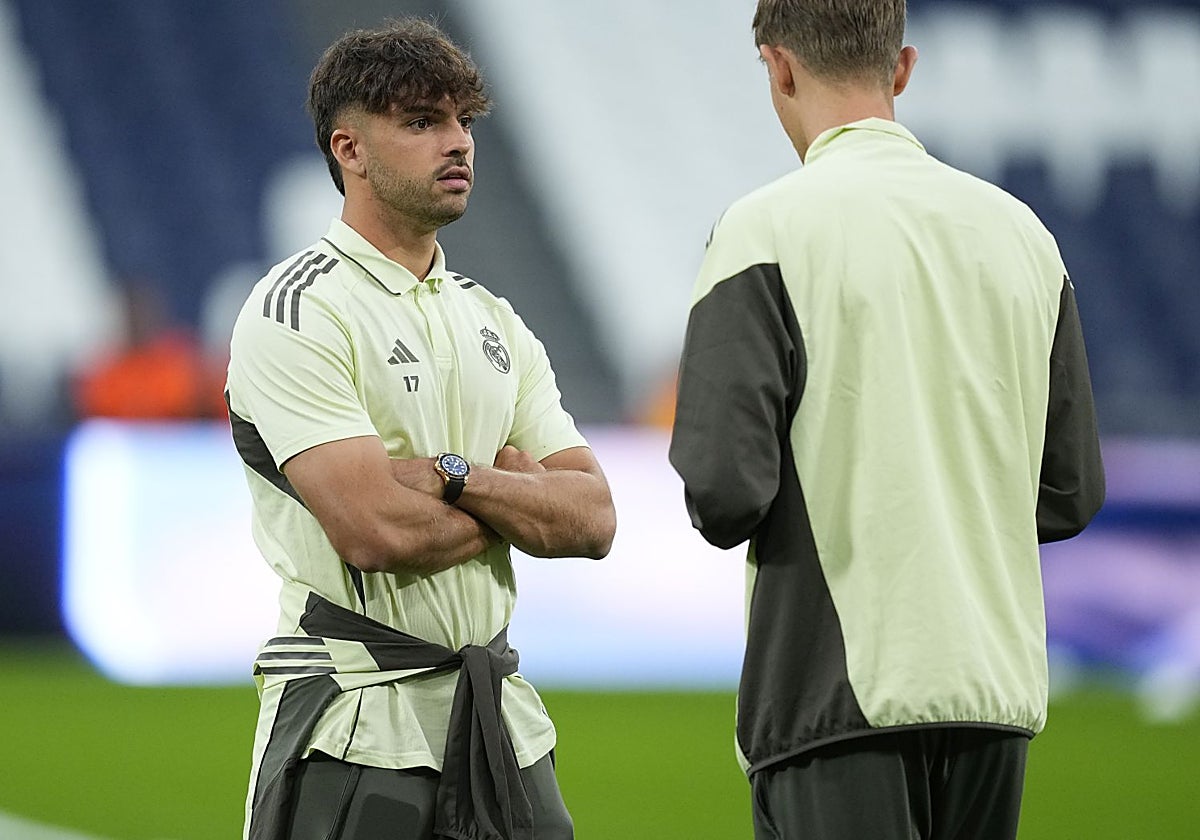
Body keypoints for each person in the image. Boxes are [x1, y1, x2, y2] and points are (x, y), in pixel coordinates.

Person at [668, 1, 1105, 838]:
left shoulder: (764, 230)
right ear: (901, 68)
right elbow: (1072, 489)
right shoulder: (1025, 236)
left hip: (837, 694)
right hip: (994, 691)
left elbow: (724, 491)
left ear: (779, 68)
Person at [225, 19, 615, 840]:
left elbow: (593, 518)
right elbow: (373, 530)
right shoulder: (298, 310)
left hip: (499, 723)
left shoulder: (494, 319)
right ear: (349, 150)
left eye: (463, 121)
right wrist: (517, 499)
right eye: (421, 121)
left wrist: (453, 475)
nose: (457, 143)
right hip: (353, 722)